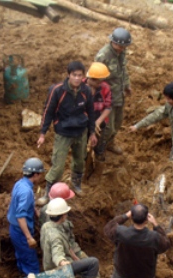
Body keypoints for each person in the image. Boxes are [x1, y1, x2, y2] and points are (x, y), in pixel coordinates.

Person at [36, 61, 97, 203]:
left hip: (81, 131)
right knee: (58, 165)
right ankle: (48, 193)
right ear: (68, 75)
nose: (77, 78)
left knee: (79, 161)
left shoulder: (86, 91)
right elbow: (48, 111)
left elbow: (91, 112)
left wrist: (92, 132)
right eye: (74, 75)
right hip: (63, 132)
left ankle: (76, 185)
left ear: (83, 77)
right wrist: (42, 133)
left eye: (80, 75)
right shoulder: (57, 90)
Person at [104, 204, 170, 278]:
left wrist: (125, 216)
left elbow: (108, 228)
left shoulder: (121, 232)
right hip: (144, 274)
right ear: (146, 220)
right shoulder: (154, 237)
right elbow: (166, 244)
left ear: (132, 218)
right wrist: (156, 225)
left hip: (123, 270)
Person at [40, 198, 100, 278]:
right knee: (93, 262)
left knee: (83, 262)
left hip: (50, 265)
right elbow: (57, 254)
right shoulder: (56, 236)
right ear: (63, 215)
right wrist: (63, 262)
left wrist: (73, 256)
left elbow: (65, 244)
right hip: (57, 269)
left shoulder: (46, 226)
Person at [95, 27, 132, 156]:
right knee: (107, 127)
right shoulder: (103, 56)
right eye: (120, 46)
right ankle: (99, 148)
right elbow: (96, 79)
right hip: (107, 98)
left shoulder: (121, 53)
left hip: (119, 95)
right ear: (113, 42)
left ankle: (110, 143)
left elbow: (123, 71)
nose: (122, 49)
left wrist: (127, 85)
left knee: (117, 123)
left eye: (124, 47)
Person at [7, 157, 46, 275]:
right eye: (39, 174)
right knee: (31, 263)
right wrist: (29, 237)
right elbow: (20, 216)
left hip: (14, 229)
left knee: (21, 256)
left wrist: (34, 210)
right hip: (21, 232)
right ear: (35, 174)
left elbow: (21, 204)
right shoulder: (26, 192)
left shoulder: (19, 184)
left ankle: (23, 275)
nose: (40, 177)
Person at [83, 62, 112, 166]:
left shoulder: (105, 88)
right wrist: (91, 126)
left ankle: (98, 155)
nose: (101, 83)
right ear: (91, 79)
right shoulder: (80, 87)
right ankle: (83, 160)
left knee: (99, 141)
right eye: (99, 81)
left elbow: (108, 107)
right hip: (83, 122)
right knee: (83, 145)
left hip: (99, 120)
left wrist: (98, 122)